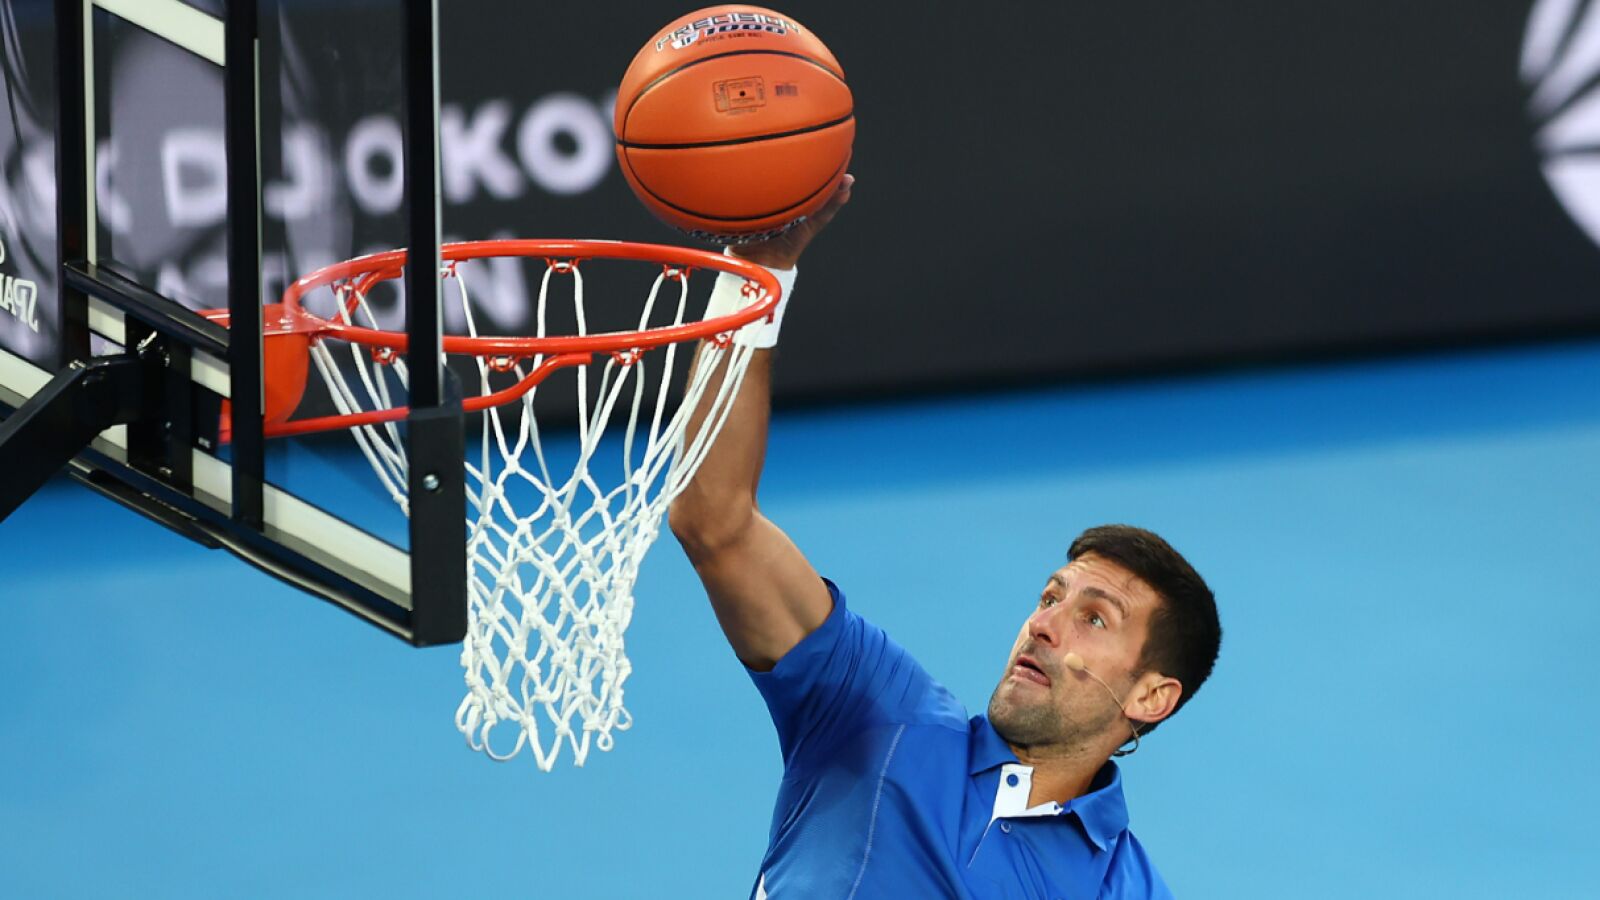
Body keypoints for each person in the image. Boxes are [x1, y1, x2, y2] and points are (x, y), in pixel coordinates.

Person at [669, 175, 1222, 899]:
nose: (1044, 625)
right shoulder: (872, 710)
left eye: (1094, 618)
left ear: (1151, 696)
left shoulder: (1121, 890)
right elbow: (714, 520)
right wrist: (758, 273)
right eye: (1051, 598)